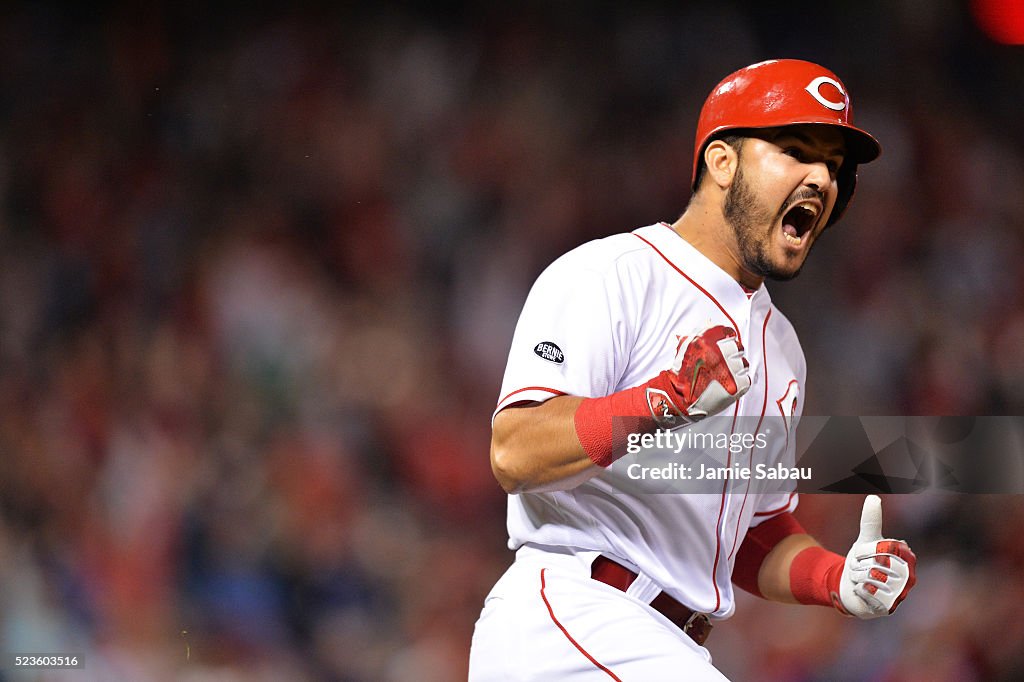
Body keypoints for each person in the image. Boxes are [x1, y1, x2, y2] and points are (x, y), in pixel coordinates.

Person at [467, 59, 918, 681]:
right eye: (794, 149)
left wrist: (835, 578)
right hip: (573, 617)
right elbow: (514, 452)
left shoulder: (782, 348)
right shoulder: (615, 273)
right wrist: (658, 401)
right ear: (722, 161)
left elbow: (750, 537)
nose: (820, 177)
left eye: (833, 166)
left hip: (663, 641)